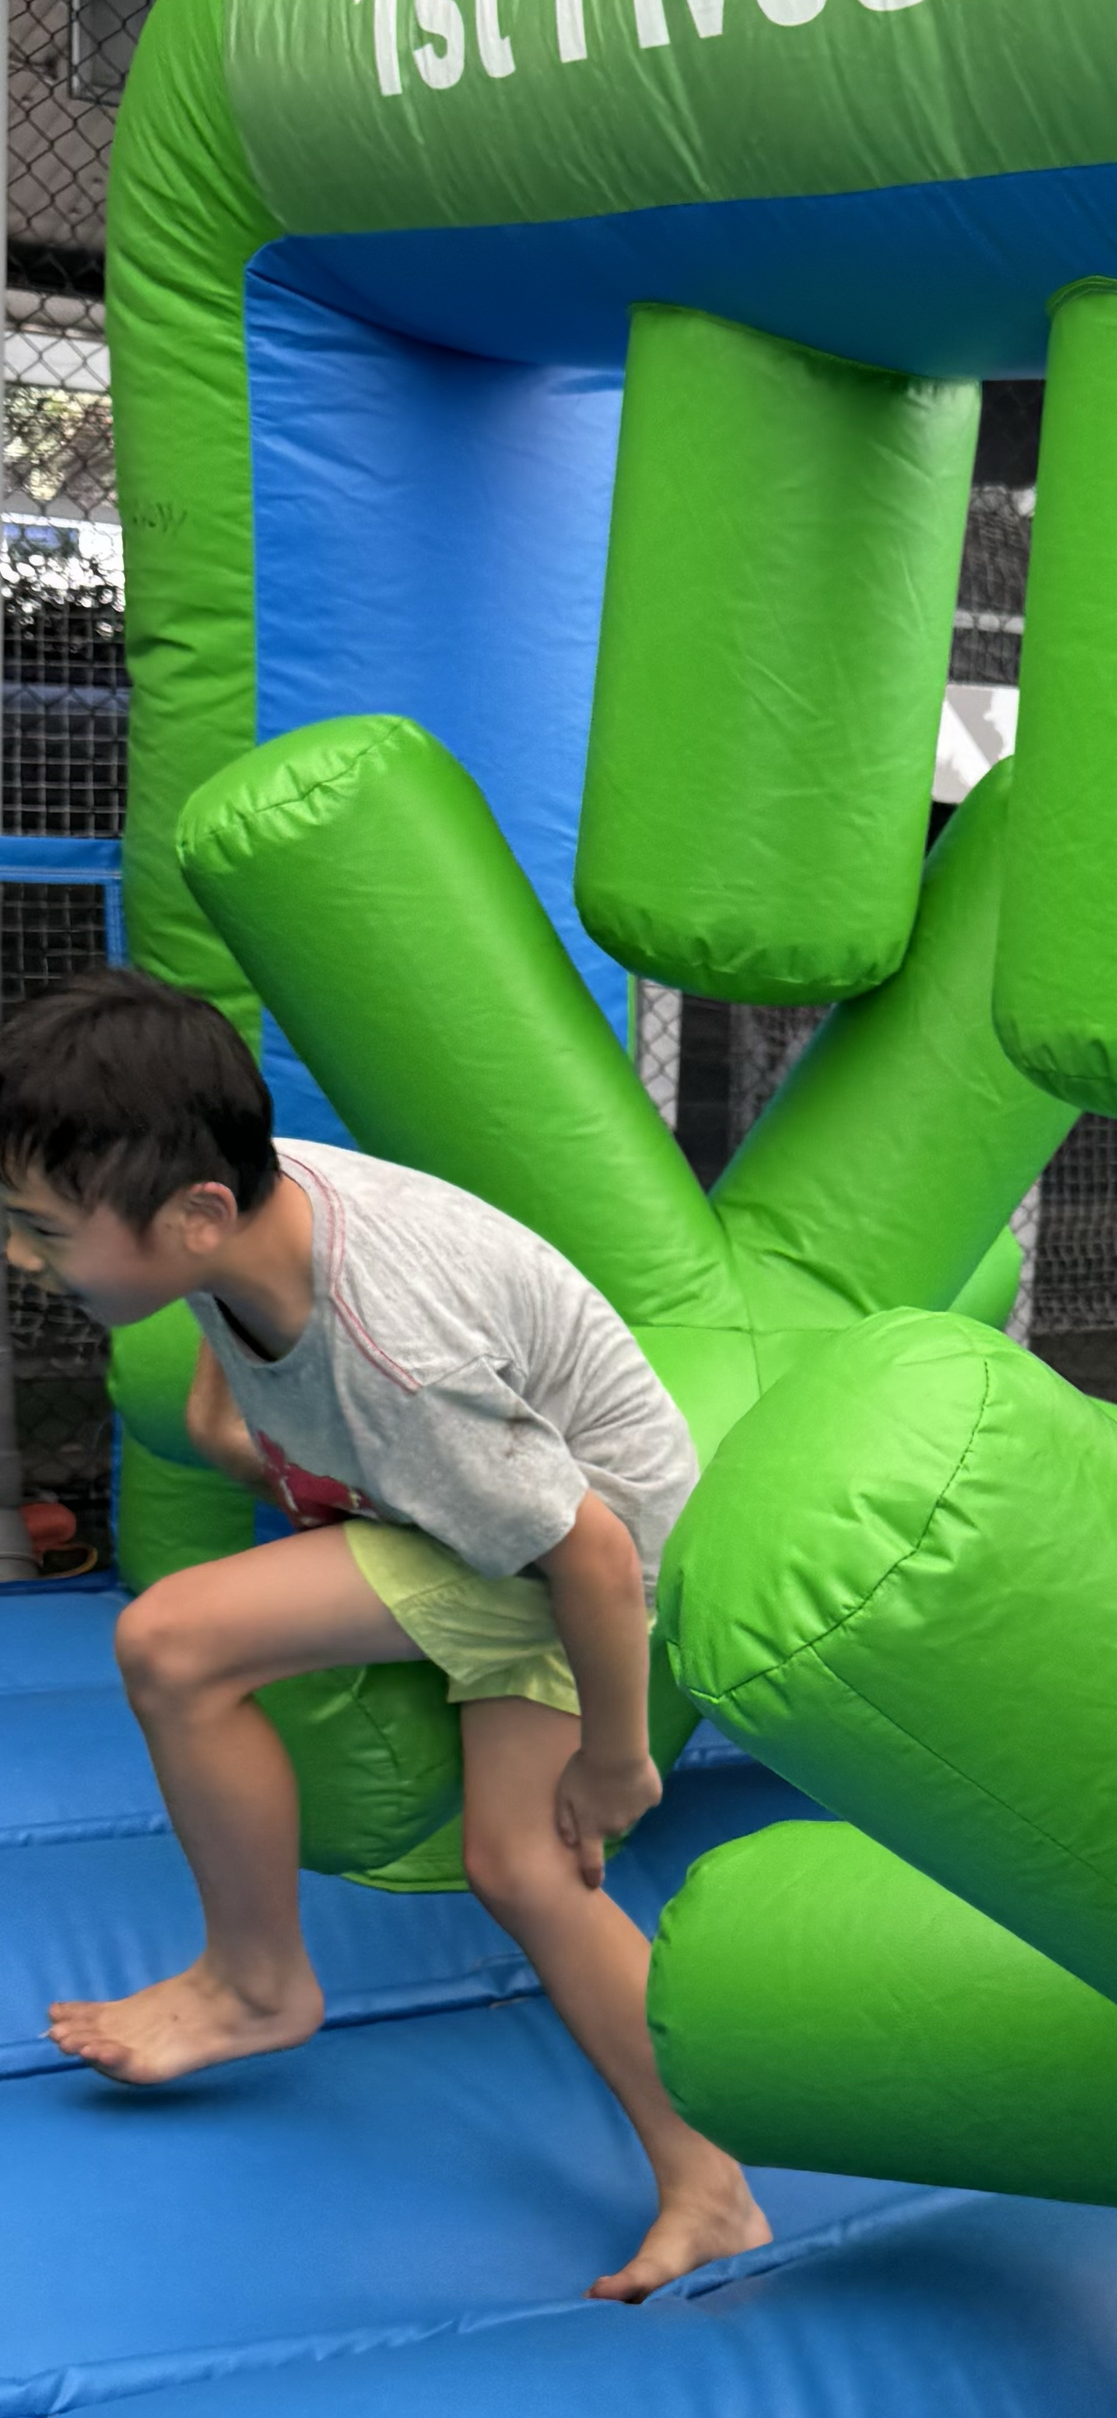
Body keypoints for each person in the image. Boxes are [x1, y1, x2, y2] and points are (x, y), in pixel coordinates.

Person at [0, 969, 767, 2304]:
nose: (21, 1258)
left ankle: (265, 1988)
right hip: (487, 1498)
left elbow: (587, 1548)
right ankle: (702, 2182)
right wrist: (234, 1423)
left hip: (588, 1550)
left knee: (507, 1855)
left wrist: (618, 1757)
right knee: (477, 1839)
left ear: (195, 1215)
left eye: (43, 1232)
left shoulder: (392, 1353)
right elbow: (220, 1318)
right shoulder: (238, 1193)